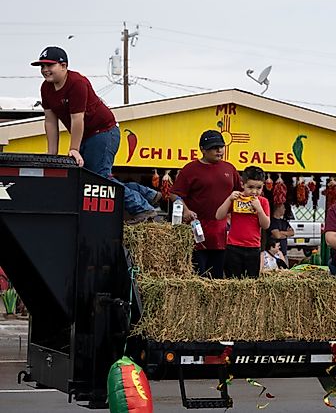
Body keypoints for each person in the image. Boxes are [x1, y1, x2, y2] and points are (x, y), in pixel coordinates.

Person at [32, 46, 159, 223]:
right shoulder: (46, 89)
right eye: (42, 67)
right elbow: (50, 121)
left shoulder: (77, 83)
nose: (45, 70)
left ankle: (143, 208)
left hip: (104, 132)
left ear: (64, 65)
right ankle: (148, 194)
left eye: (49, 65)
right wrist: (51, 153)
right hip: (86, 135)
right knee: (90, 180)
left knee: (99, 180)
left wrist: (74, 149)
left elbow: (77, 119)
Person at [171, 130, 242, 278]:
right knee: (199, 276)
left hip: (223, 233)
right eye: (213, 147)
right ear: (202, 149)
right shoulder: (190, 169)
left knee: (218, 278)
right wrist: (186, 210)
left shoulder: (230, 168)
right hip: (197, 231)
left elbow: (240, 194)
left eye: (221, 146)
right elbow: (174, 194)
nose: (219, 150)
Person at [216, 165, 271, 278]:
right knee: (233, 281)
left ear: (263, 187)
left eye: (258, 188)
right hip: (233, 247)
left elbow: (266, 225)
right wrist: (229, 199)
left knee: (251, 281)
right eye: (250, 187)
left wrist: (259, 209)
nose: (254, 192)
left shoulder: (263, 202)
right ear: (242, 184)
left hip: (253, 248)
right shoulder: (236, 198)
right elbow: (218, 215)